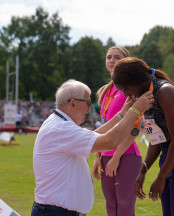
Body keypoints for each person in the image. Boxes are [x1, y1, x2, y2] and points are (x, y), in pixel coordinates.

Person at [31, 79, 153, 216]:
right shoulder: (61, 128)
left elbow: (94, 135)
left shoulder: (59, 124)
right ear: (73, 103)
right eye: (88, 103)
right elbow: (110, 142)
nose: (90, 109)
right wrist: (135, 111)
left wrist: (122, 114)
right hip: (56, 212)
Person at [111, 57, 174, 216]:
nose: (126, 94)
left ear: (135, 81)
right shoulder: (146, 96)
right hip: (170, 153)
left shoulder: (165, 92)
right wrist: (143, 170)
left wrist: (161, 177)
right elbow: (156, 138)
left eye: (126, 89)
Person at [92, 46, 142, 216]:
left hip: (126, 155)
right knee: (111, 207)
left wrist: (116, 156)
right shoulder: (106, 90)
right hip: (106, 155)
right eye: (109, 57)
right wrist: (97, 157)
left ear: (125, 62)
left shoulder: (129, 90)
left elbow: (135, 128)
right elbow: (105, 126)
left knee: (125, 206)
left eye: (117, 57)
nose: (111, 60)